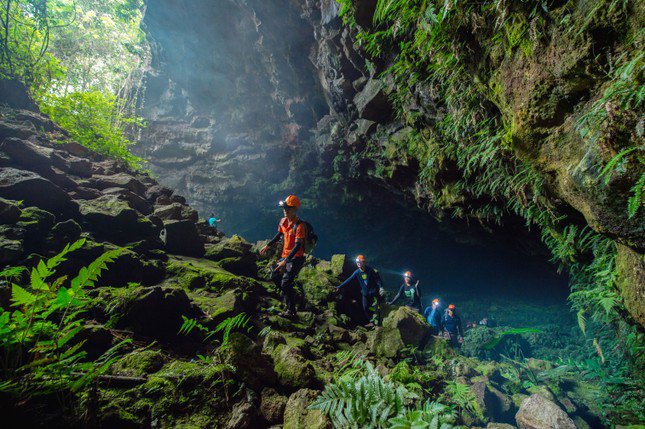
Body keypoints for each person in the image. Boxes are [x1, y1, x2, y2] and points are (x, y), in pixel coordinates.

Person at [259, 195, 306, 318]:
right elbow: (279, 234)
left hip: (296, 258)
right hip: (285, 256)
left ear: (295, 209)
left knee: (285, 282)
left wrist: (285, 261)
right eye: (284, 208)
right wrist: (268, 245)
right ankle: (292, 294)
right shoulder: (283, 221)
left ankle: (291, 311)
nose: (285, 210)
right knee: (274, 275)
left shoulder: (300, 226)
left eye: (288, 208)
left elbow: (297, 246)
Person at [336, 254, 383, 327]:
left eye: (360, 262)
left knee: (376, 308)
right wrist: (339, 286)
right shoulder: (357, 272)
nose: (358, 264)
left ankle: (379, 324)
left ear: (363, 262)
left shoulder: (370, 270)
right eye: (357, 262)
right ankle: (371, 322)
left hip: (374, 293)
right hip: (365, 294)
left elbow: (378, 280)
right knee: (365, 308)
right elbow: (349, 280)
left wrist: (381, 288)